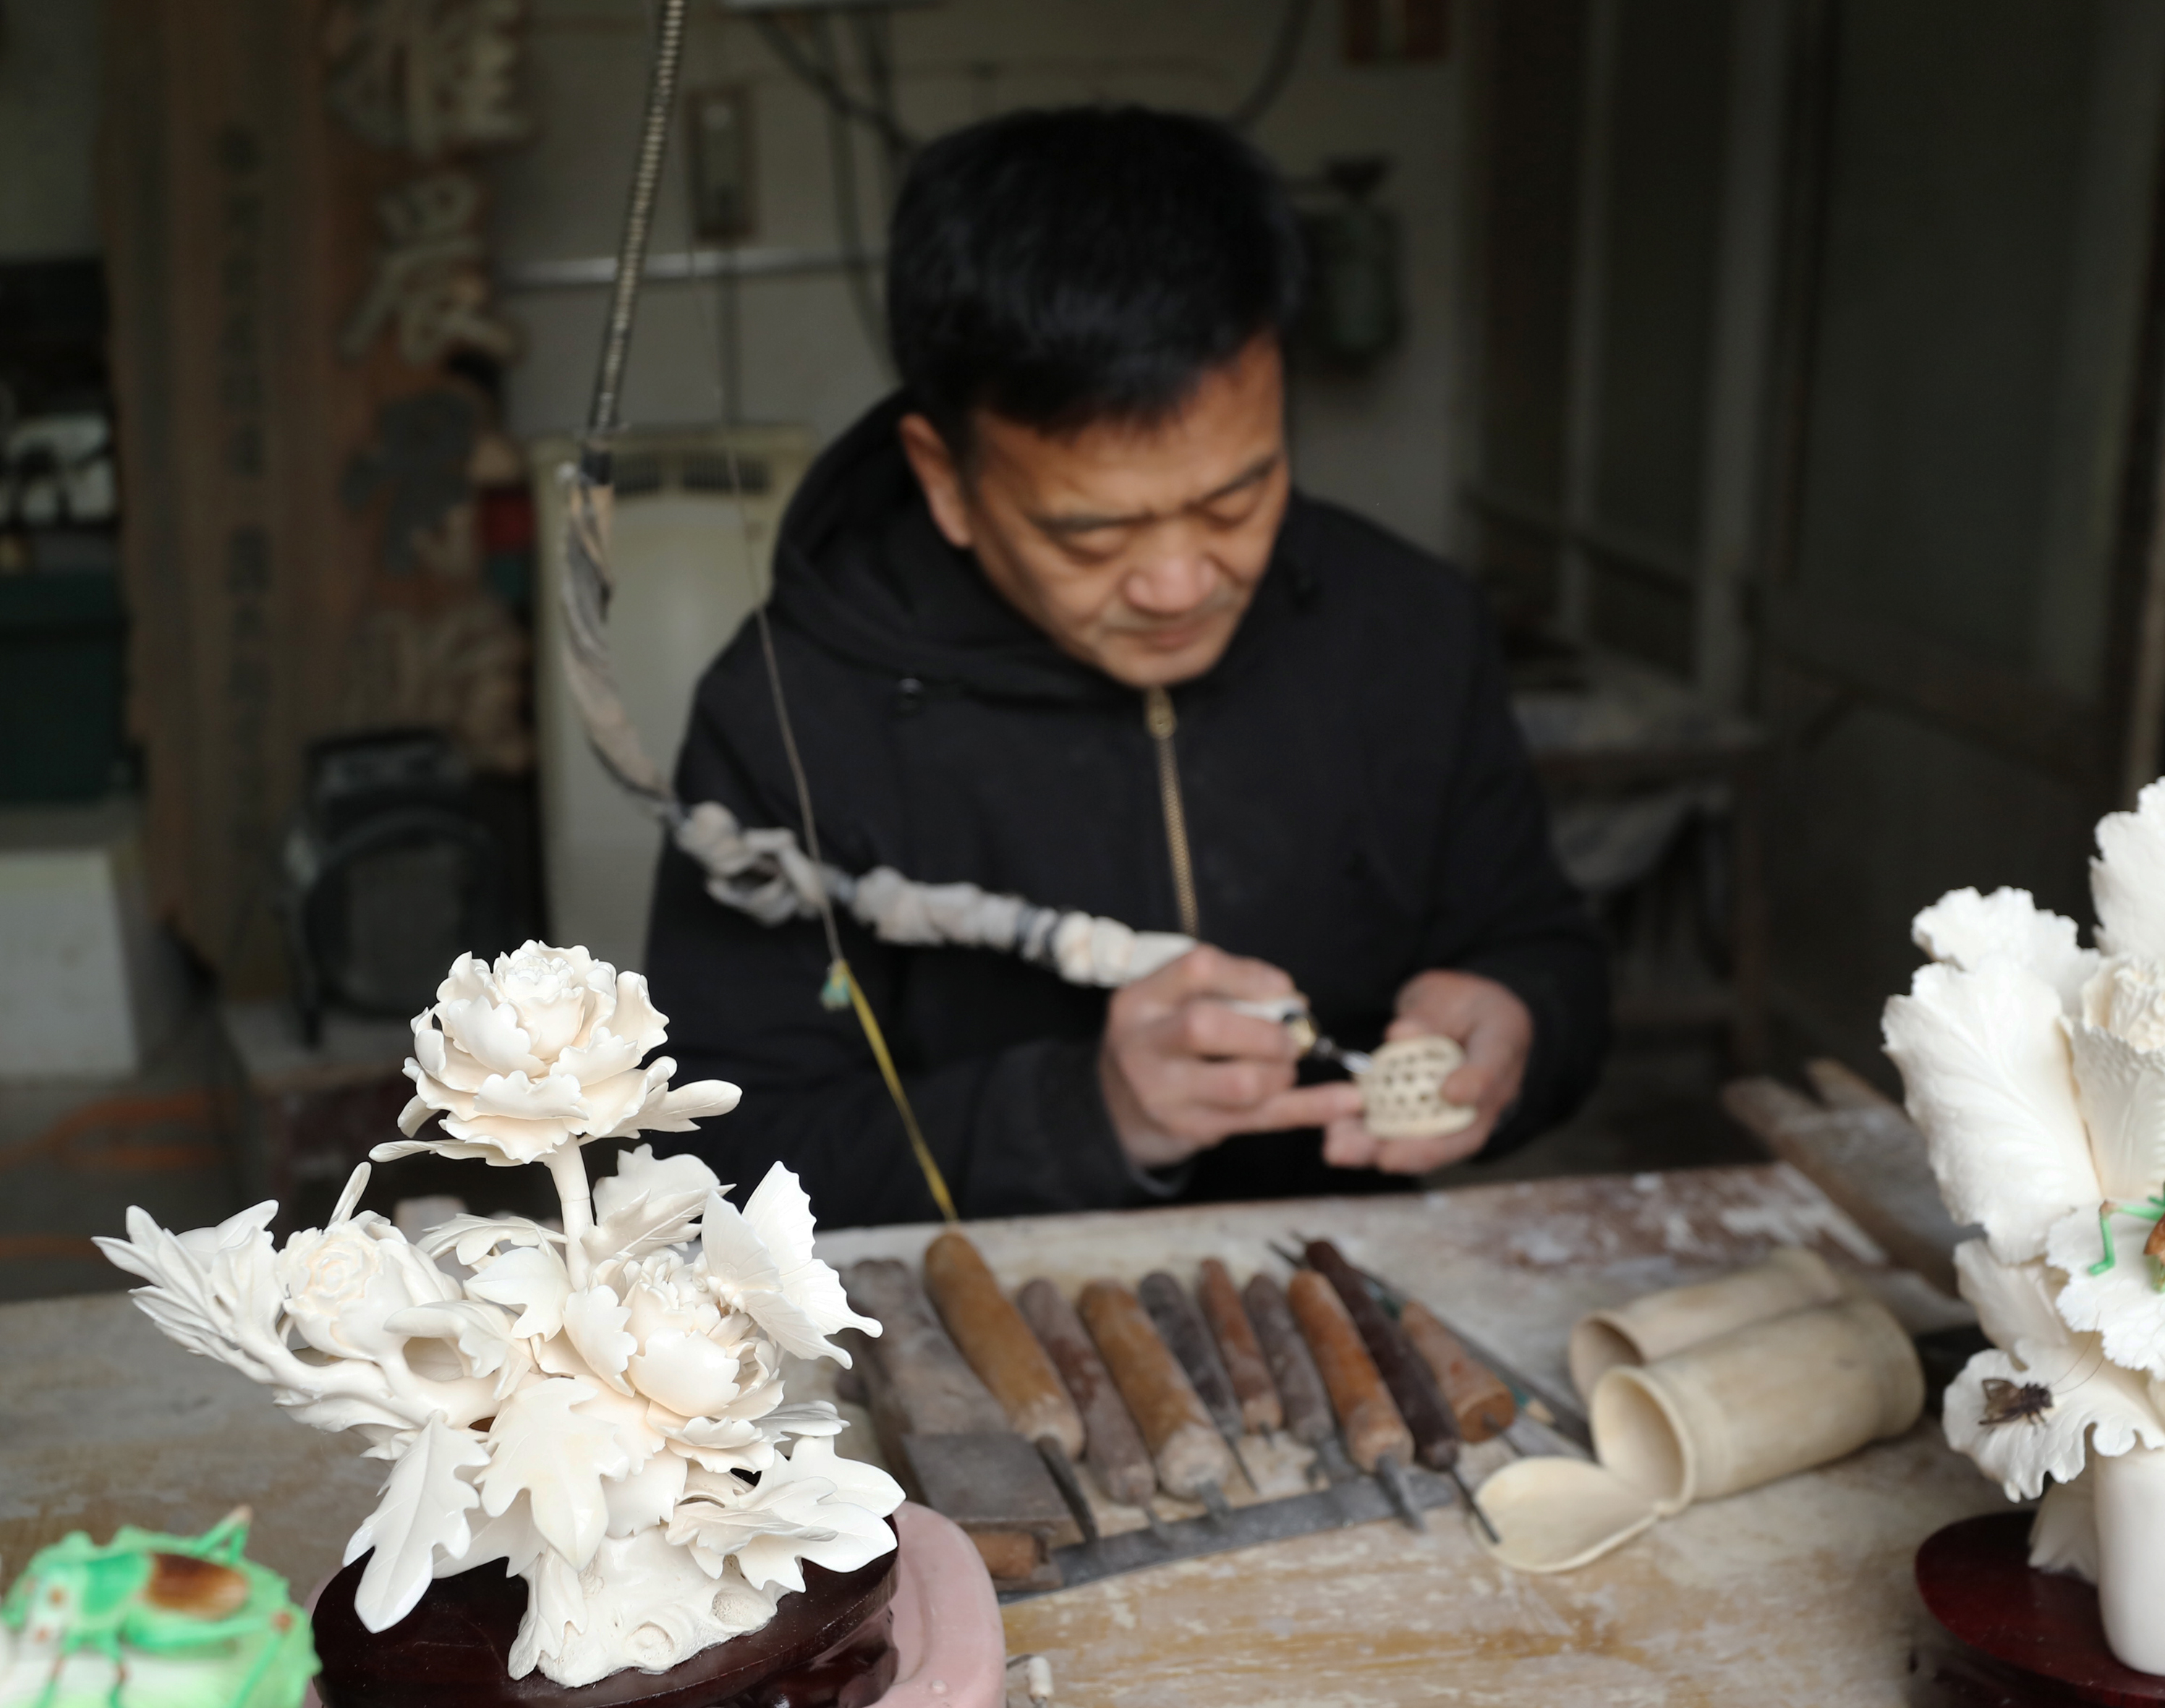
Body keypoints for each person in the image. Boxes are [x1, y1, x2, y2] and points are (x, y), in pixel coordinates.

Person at [645, 106, 1608, 1225]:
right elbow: (721, 1160)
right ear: (945, 478)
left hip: (1341, 1277)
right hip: (970, 1302)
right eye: (1091, 534)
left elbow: (1543, 943)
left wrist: (1523, 1018)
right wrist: (1082, 1114)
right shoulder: (791, 714)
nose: (1179, 584)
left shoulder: (1407, 627)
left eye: (1237, 498)